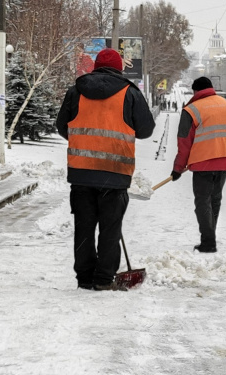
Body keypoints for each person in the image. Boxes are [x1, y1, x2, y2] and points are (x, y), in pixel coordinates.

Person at [56, 48, 155, 291]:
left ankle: (85, 277)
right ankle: (103, 278)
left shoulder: (76, 91)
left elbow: (62, 126)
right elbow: (146, 130)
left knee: (84, 227)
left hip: (81, 172)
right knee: (111, 228)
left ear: (95, 66)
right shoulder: (129, 93)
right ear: (120, 68)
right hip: (116, 172)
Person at [171, 77, 226, 253]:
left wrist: (178, 168)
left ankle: (208, 242)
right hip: (224, 159)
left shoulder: (191, 110)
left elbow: (184, 142)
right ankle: (210, 236)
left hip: (203, 163)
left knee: (203, 202)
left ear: (195, 91)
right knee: (215, 200)